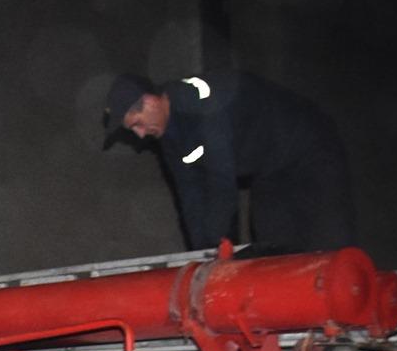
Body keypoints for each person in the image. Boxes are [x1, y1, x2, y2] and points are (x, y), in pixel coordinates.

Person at [102, 70, 356, 254]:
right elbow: (190, 196)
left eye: (137, 123)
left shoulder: (201, 98)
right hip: (270, 172)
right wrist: (203, 254)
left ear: (149, 101)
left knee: (331, 247)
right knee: (275, 251)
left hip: (311, 151)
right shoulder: (170, 137)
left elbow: (220, 183)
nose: (140, 134)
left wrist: (219, 249)